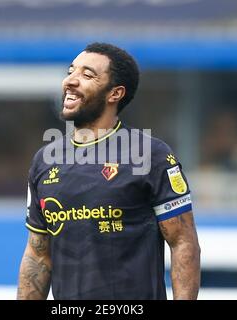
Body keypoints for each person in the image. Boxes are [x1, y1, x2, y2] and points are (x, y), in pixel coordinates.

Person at [17, 42, 200, 300]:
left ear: (115, 93)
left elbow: (183, 242)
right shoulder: (44, 161)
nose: (70, 81)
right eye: (71, 71)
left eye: (87, 75)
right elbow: (38, 255)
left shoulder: (151, 155)